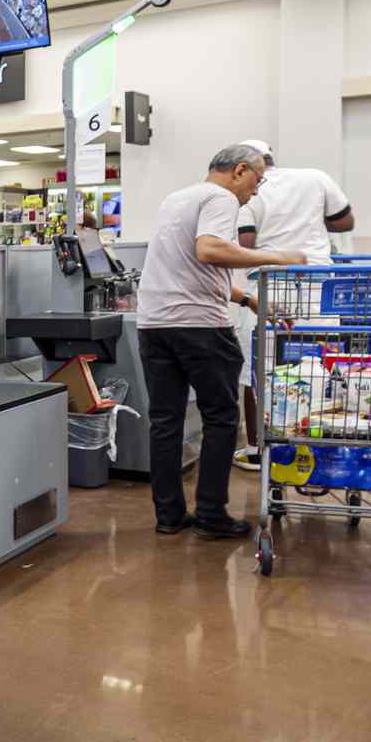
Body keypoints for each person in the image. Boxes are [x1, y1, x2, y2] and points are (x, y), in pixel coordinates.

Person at [136, 143, 305, 540]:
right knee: (222, 417)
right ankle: (212, 513)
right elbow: (209, 250)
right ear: (240, 170)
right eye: (257, 180)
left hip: (154, 325)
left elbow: (188, 267)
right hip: (199, 328)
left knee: (165, 422)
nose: (256, 191)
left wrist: (245, 297)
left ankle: (170, 517)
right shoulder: (221, 197)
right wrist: (277, 257)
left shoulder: (176, 199)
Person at [230, 140, 354, 470]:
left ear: (244, 166)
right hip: (319, 289)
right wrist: (309, 224)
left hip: (272, 289)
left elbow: (246, 243)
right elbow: (345, 222)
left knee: (258, 371)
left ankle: (258, 449)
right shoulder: (315, 178)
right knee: (321, 365)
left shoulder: (250, 191)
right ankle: (317, 443)